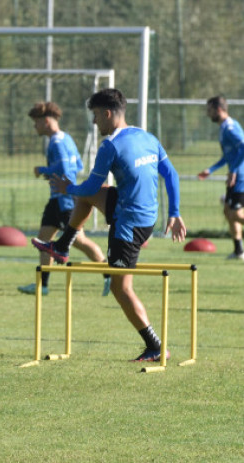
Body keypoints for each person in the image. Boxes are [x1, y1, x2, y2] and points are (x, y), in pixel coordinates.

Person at [32, 88, 186, 362]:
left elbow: (87, 184)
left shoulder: (110, 146)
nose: (94, 123)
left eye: (95, 116)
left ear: (106, 113)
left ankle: (155, 345)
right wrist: (174, 212)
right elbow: (171, 174)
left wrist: (69, 188)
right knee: (93, 194)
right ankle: (63, 245)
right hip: (144, 213)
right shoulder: (146, 136)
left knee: (120, 288)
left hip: (129, 224)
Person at [18, 101, 111, 297]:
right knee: (43, 239)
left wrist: (42, 170)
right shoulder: (66, 138)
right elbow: (77, 165)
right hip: (57, 198)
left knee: (79, 241)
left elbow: (64, 170)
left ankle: (108, 274)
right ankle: (42, 285)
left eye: (36, 123)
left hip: (64, 200)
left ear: (46, 121)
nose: (34, 127)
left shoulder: (56, 143)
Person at [197, 95, 244, 260]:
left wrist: (235, 170)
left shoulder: (231, 128)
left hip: (241, 177)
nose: (207, 114)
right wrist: (211, 169)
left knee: (236, 214)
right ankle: (239, 251)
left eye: (209, 110)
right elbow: (228, 156)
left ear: (218, 110)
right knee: (227, 211)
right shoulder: (223, 128)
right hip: (235, 175)